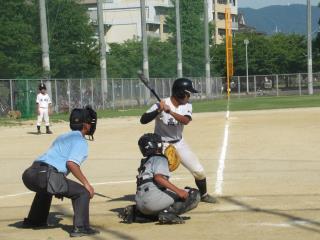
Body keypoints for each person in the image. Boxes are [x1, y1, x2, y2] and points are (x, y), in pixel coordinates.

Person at [22, 106, 99, 237]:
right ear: (86, 125)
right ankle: (81, 228)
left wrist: (58, 184)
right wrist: (87, 184)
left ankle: (35, 220)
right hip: (46, 175)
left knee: (46, 188)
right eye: (90, 123)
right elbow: (71, 163)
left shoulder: (63, 137)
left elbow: (55, 160)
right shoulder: (80, 141)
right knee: (83, 193)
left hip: (30, 174)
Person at [140, 78, 217, 203]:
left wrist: (170, 111)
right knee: (160, 175)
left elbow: (186, 121)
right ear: (181, 93)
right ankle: (156, 197)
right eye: (188, 93)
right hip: (162, 146)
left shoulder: (187, 106)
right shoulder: (161, 104)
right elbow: (143, 120)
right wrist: (158, 110)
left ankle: (204, 195)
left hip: (180, 143)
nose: (189, 96)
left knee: (199, 171)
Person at [119, 133, 200, 224]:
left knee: (160, 195)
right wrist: (179, 191)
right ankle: (168, 214)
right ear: (154, 145)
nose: (161, 145)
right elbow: (158, 178)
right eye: (159, 143)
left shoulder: (144, 162)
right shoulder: (159, 158)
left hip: (140, 204)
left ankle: (136, 213)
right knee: (193, 193)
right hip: (153, 201)